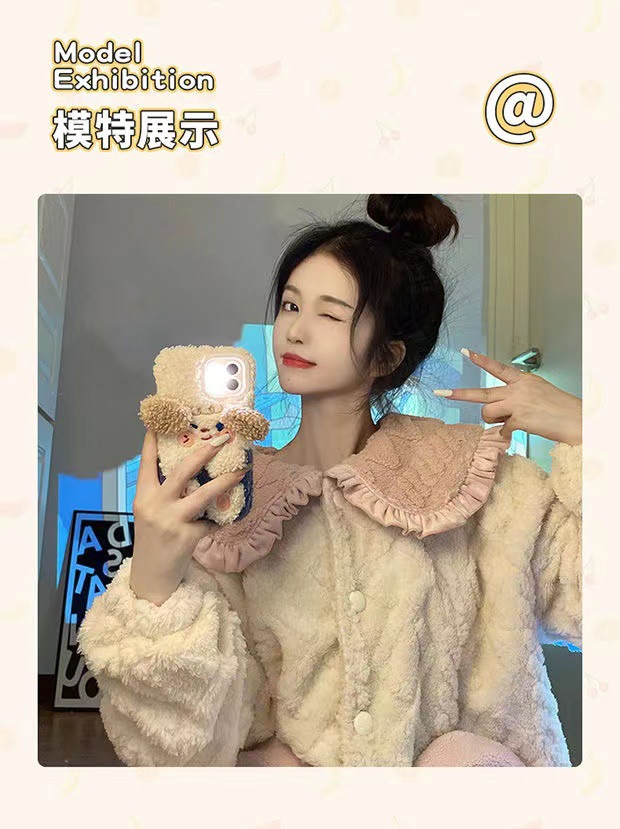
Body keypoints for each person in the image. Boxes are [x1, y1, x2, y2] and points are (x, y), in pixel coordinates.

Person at [77, 195, 582, 767]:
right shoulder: (233, 503)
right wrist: (154, 574)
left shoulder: (480, 483)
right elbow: (183, 746)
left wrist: (585, 427)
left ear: (387, 356)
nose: (295, 331)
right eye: (291, 305)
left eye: (330, 314)